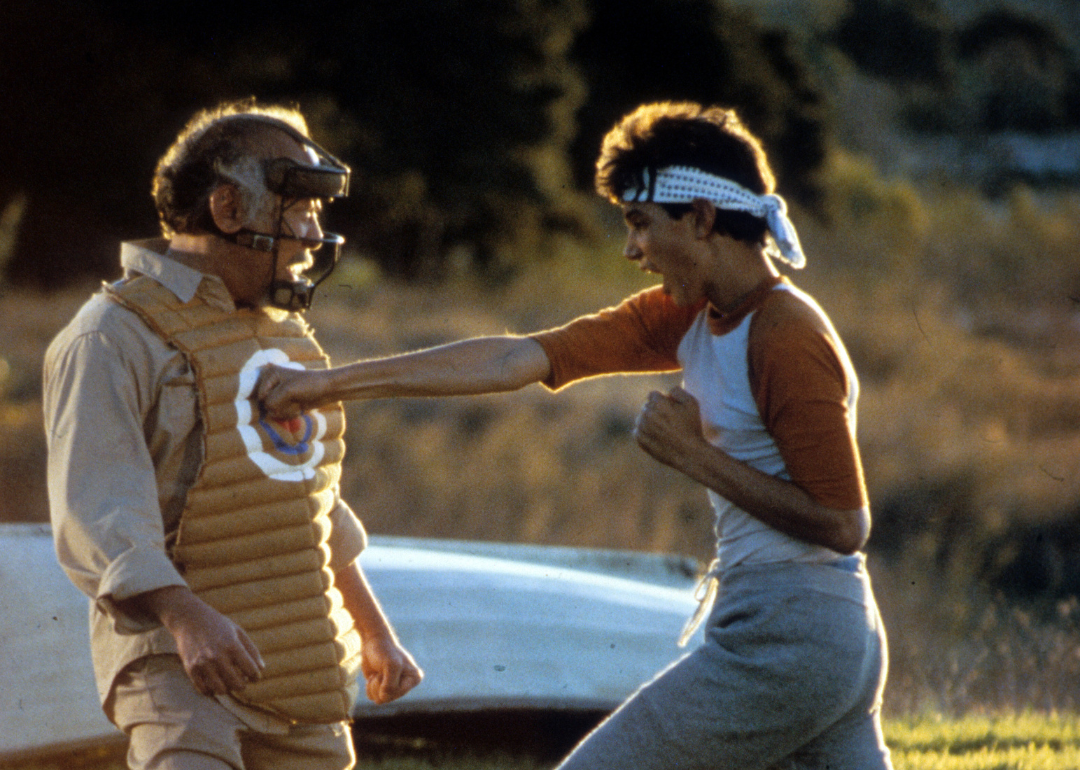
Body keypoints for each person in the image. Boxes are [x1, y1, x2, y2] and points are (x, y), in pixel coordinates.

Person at [257, 101, 891, 770]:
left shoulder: (786, 332)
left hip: (791, 639)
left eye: (640, 224)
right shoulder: (694, 315)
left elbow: (844, 522)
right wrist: (328, 384)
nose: (631, 250)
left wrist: (694, 457)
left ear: (701, 219)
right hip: (822, 635)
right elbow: (511, 360)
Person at [43, 101, 422, 770]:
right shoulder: (111, 337)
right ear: (226, 209)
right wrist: (186, 618)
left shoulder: (286, 335)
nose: (313, 236)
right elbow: (97, 510)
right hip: (179, 664)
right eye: (299, 211)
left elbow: (308, 502)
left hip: (298, 665)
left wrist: (373, 630)